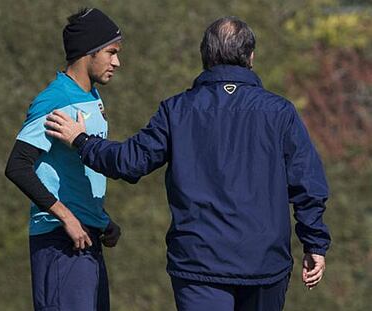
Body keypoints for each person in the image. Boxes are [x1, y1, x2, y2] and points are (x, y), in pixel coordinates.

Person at [45, 16, 331, 311]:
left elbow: (129, 162)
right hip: (264, 262)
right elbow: (308, 183)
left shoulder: (176, 110)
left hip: (199, 264)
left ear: (205, 57)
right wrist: (315, 244)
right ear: (250, 57)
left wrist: (83, 141)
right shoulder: (280, 112)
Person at [5, 8, 123, 311]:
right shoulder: (56, 100)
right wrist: (67, 217)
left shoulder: (92, 96)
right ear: (88, 52)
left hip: (87, 236)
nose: (117, 62)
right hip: (60, 241)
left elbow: (72, 171)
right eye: (111, 52)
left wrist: (101, 219)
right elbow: (17, 166)